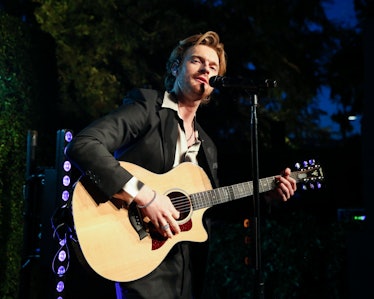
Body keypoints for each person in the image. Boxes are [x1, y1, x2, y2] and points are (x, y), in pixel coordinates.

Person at [66, 31, 297, 299]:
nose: (205, 70)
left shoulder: (207, 144)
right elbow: (84, 144)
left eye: (212, 67)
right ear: (176, 67)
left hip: (186, 268)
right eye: (196, 61)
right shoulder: (147, 108)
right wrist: (146, 196)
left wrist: (265, 195)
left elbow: (211, 205)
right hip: (138, 251)